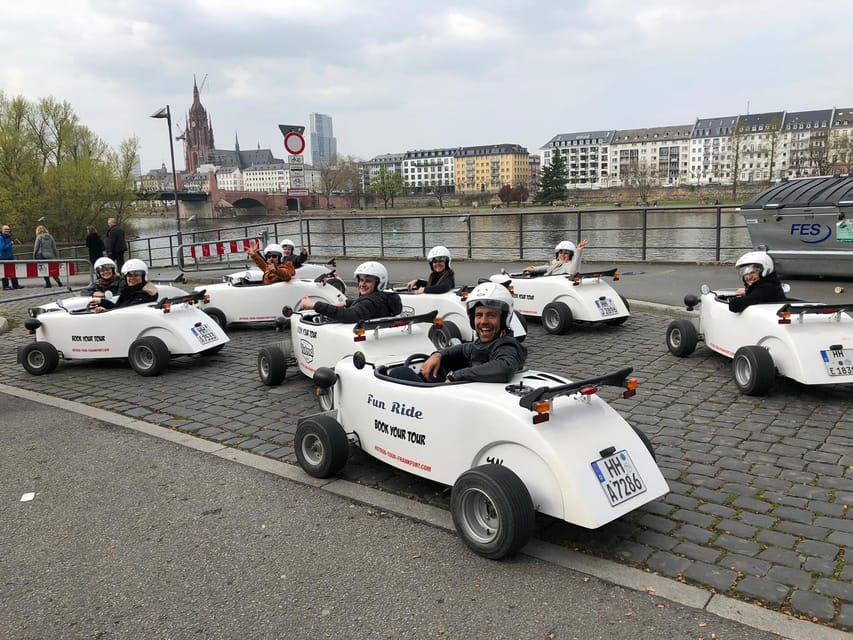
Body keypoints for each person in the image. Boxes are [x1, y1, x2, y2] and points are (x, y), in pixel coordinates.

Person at [395, 282, 527, 383]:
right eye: (479, 315)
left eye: (491, 315)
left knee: (400, 374)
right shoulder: (484, 344)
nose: (483, 321)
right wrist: (438, 355)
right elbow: (465, 348)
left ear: (503, 319)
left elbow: (505, 367)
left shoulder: (507, 346)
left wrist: (455, 376)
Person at [298, 261, 402, 322]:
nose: (362, 284)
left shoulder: (371, 303)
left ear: (379, 283)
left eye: (368, 281)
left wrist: (314, 305)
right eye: (361, 280)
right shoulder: (383, 298)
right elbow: (364, 305)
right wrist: (347, 302)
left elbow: (349, 315)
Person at [91, 258, 158, 313]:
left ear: (143, 277)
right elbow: (118, 307)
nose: (132, 278)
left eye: (136, 275)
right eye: (129, 275)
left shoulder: (144, 295)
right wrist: (103, 302)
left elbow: (124, 311)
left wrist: (105, 311)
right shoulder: (128, 291)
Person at [523, 239, 588, 276]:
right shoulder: (555, 263)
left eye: (566, 253)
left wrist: (578, 251)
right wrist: (533, 269)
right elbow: (547, 267)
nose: (562, 255)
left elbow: (573, 271)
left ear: (570, 256)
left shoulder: (568, 266)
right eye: (560, 252)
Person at [1, 224, 23, 290]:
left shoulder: (8, 237)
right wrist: (10, 244)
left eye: (8, 229)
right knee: (4, 272)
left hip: (10, 256)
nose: (7, 231)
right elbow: (2, 247)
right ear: (2, 230)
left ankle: (15, 285)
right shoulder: (1, 238)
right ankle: (5, 286)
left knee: (13, 271)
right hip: (3, 257)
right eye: (5, 229)